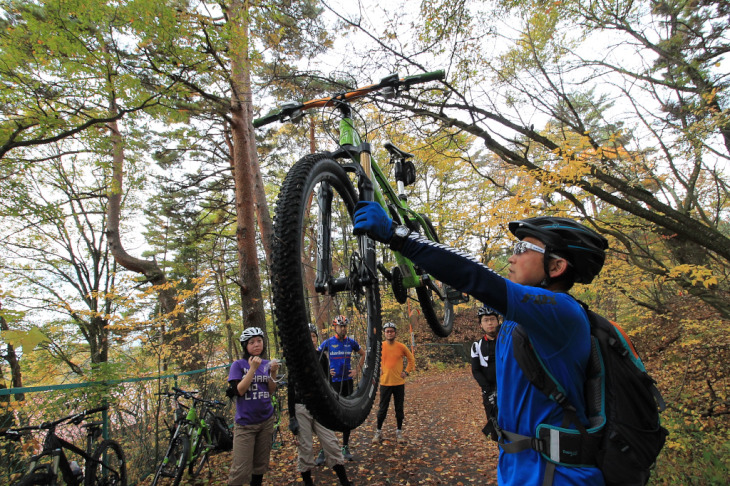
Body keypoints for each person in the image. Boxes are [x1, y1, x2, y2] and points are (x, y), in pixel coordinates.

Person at [354, 201, 608, 485]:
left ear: (557, 266)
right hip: (517, 468)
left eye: (521, 249)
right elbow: (465, 271)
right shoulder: (518, 320)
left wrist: (397, 236)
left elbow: (477, 279)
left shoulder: (561, 311)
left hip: (558, 475)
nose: (511, 258)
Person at [288, 324, 353, 486]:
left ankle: (345, 481)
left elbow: (327, 384)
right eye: (307, 336)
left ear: (316, 339)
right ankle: (308, 483)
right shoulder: (295, 357)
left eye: (313, 336)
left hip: (320, 406)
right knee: (305, 447)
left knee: (331, 443)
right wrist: (291, 417)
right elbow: (291, 388)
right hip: (300, 406)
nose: (310, 339)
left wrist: (330, 406)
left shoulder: (321, 356)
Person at [226, 327, 279, 486]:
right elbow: (240, 391)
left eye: (259, 341)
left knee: (260, 466)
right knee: (241, 470)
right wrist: (252, 369)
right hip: (245, 424)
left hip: (265, 421)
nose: (256, 345)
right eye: (252, 342)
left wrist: (273, 372)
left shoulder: (266, 364)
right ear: (245, 346)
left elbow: (270, 391)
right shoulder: (238, 365)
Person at [317, 315, 365, 461]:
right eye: (340, 326)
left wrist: (357, 369)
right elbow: (317, 357)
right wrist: (325, 372)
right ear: (335, 327)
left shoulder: (351, 342)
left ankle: (345, 446)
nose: (343, 328)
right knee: (329, 413)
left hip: (347, 381)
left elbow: (363, 354)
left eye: (345, 326)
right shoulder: (329, 342)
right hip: (333, 382)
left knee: (346, 414)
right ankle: (325, 449)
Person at [372, 322, 415, 445]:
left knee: (399, 409)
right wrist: (377, 369)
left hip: (398, 383)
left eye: (391, 331)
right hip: (385, 383)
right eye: (387, 331)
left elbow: (411, 359)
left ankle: (399, 432)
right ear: (384, 333)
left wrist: (406, 372)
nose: (389, 333)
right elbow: (374, 359)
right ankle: (378, 431)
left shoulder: (401, 346)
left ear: (395, 333)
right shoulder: (380, 346)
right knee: (382, 409)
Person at [471, 306, 500, 440]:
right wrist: (487, 388)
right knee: (495, 426)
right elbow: (476, 370)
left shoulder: (507, 341)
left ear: (498, 321)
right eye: (486, 320)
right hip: (489, 392)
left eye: (492, 319)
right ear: (481, 324)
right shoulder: (476, 346)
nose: (490, 323)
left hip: (509, 389)